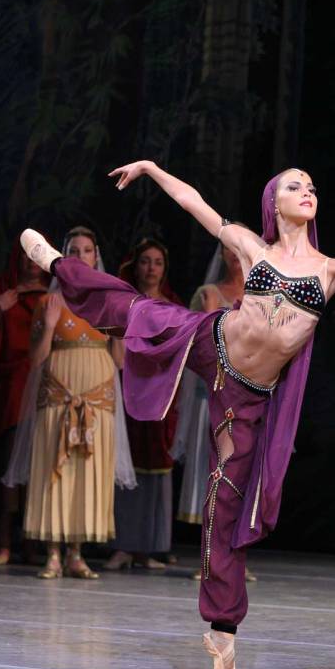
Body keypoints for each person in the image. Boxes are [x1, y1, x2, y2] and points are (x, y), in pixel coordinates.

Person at [20, 160, 335, 669]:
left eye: (313, 186)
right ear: (273, 201)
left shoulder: (331, 269)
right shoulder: (254, 248)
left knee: (224, 501)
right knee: (136, 310)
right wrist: (153, 170)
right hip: (210, 340)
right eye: (295, 185)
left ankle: (223, 632)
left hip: (244, 396)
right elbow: (194, 204)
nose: (308, 191)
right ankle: (59, 265)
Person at [5, 226, 135, 579]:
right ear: (61, 259)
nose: (79, 257)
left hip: (97, 395)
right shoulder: (49, 303)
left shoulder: (108, 303)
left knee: (86, 471)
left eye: (86, 251)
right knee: (53, 467)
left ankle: (77, 554)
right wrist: (48, 327)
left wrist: (120, 326)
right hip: (59, 393)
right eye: (72, 251)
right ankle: (52, 555)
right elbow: (35, 360)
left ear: (96, 257)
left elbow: (121, 360)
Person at [173, 243, 257, 581]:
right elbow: (192, 350)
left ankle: (236, 558)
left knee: (241, 477)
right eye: (230, 250)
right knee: (213, 476)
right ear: (221, 255)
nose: (236, 257)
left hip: (247, 398)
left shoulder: (259, 298)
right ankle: (208, 557)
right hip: (213, 399)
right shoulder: (208, 294)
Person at [105, 238, 182, 572]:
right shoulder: (125, 301)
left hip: (162, 393)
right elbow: (116, 346)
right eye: (146, 261)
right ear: (136, 265)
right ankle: (122, 545)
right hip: (129, 387)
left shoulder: (173, 304)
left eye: (158, 262)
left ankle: (147, 548)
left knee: (155, 468)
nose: (151, 268)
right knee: (126, 466)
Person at [0, 238, 50, 564]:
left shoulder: (51, 298)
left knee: (38, 465)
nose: (30, 263)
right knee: (10, 463)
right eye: (25, 257)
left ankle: (31, 541)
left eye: (35, 258)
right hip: (12, 387)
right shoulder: (6, 295)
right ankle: (3, 539)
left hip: (41, 384)